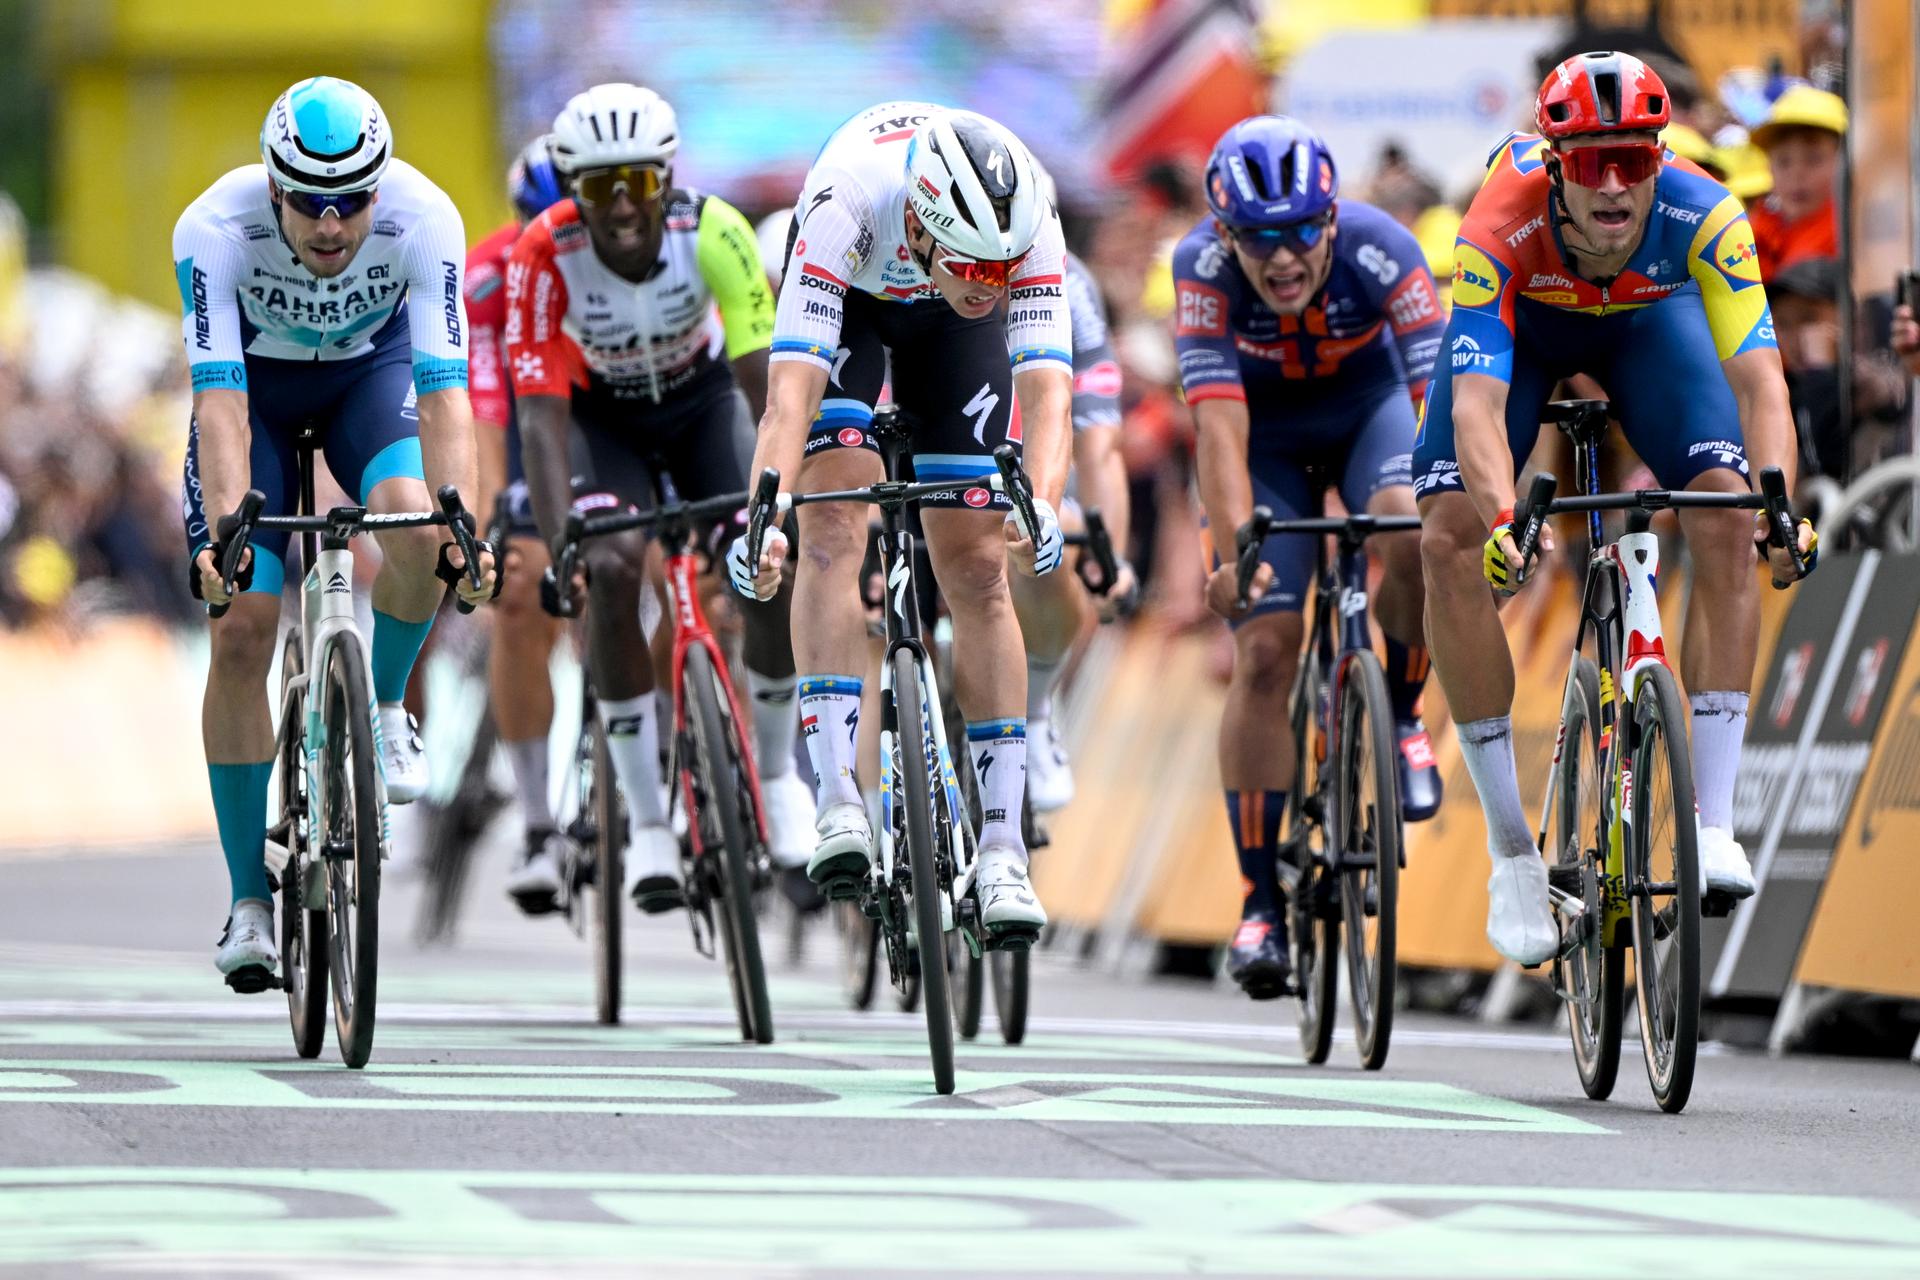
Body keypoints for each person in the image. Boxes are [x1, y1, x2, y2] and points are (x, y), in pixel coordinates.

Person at [1414, 51, 1817, 967]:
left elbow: (1761, 382)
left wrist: (1777, 502)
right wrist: (1503, 517)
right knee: (1444, 535)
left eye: (1631, 160)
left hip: (1648, 324)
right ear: (1554, 162)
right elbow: (1476, 403)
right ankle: (1514, 855)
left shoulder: (1705, 211)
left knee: (1722, 506)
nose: (1610, 185)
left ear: (1659, 159)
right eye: (1589, 160)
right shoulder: (1498, 220)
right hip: (1527, 328)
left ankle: (1712, 823)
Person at [176, 76, 496, 987]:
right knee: (240, 625)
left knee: (423, 529)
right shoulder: (212, 228)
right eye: (309, 204)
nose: (330, 225)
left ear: (379, 191)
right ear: (271, 187)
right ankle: (247, 902)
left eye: (352, 202)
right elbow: (221, 406)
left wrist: (460, 526)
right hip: (258, 401)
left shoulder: (425, 219)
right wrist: (231, 534)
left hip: (370, 381)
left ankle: (385, 705)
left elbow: (443, 393)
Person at [728, 101, 1073, 938]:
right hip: (856, 302)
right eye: (970, 266)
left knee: (984, 568)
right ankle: (839, 796)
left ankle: (1000, 848)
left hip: (954, 347)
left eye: (999, 271)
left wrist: (1047, 502)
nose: (985, 285)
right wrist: (761, 516)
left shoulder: (1026, 219)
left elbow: (1047, 388)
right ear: (919, 225)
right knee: (834, 527)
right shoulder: (847, 201)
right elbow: (788, 396)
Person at [504, 83, 811, 914]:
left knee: (764, 562)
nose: (621, 207)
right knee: (610, 568)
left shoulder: (714, 231)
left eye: (637, 183)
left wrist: (769, 508)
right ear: (573, 190)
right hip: (607, 425)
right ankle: (646, 822)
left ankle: (779, 775)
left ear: (667, 179)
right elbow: (538, 419)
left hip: (705, 405)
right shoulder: (541, 254)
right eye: (598, 188)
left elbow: (763, 387)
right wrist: (564, 542)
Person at [1173, 115, 1445, 998]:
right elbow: (1217, 426)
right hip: (1263, 443)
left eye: (1299, 234)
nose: (1281, 258)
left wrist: (1475, 513)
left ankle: (1401, 717)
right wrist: (1233, 550)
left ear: (1332, 220)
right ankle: (1261, 904)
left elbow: (1436, 399)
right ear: (1226, 236)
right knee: (1262, 649)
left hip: (1372, 416)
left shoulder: (1386, 249)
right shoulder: (1200, 272)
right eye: (1258, 240)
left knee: (1413, 524)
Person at [463, 137, 580, 912]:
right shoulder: (489, 272)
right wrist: (490, 514)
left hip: (613, 424)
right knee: (517, 596)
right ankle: (540, 820)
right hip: (526, 430)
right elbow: (484, 404)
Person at [1018, 247, 1138, 814]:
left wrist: (1107, 559)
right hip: (934, 420)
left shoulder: (1067, 279)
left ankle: (1037, 709)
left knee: (1053, 532)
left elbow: (1099, 440)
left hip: (1023, 443)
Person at [1748, 85, 1846, 282]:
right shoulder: (1755, 232)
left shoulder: (1851, 241)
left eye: (1814, 159)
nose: (1796, 174)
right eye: (1783, 162)